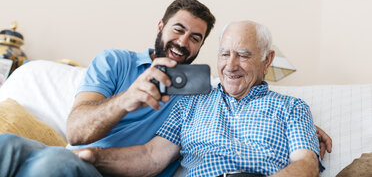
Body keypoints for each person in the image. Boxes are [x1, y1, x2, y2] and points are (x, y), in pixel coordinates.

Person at [74, 20, 324, 177]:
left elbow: (306, 166)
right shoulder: (190, 103)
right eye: (224, 54)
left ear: (266, 60)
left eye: (243, 55)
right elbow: (150, 157)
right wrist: (95, 156)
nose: (231, 65)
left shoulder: (292, 108)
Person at [0, 0, 216, 177]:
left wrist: (93, 156)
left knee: (54, 163)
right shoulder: (114, 62)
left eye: (195, 38)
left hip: (97, 168)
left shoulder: (196, 93)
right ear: (160, 26)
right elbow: (75, 132)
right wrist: (125, 100)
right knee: (6, 144)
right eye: (178, 30)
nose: (183, 42)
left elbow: (153, 158)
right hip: (69, 155)